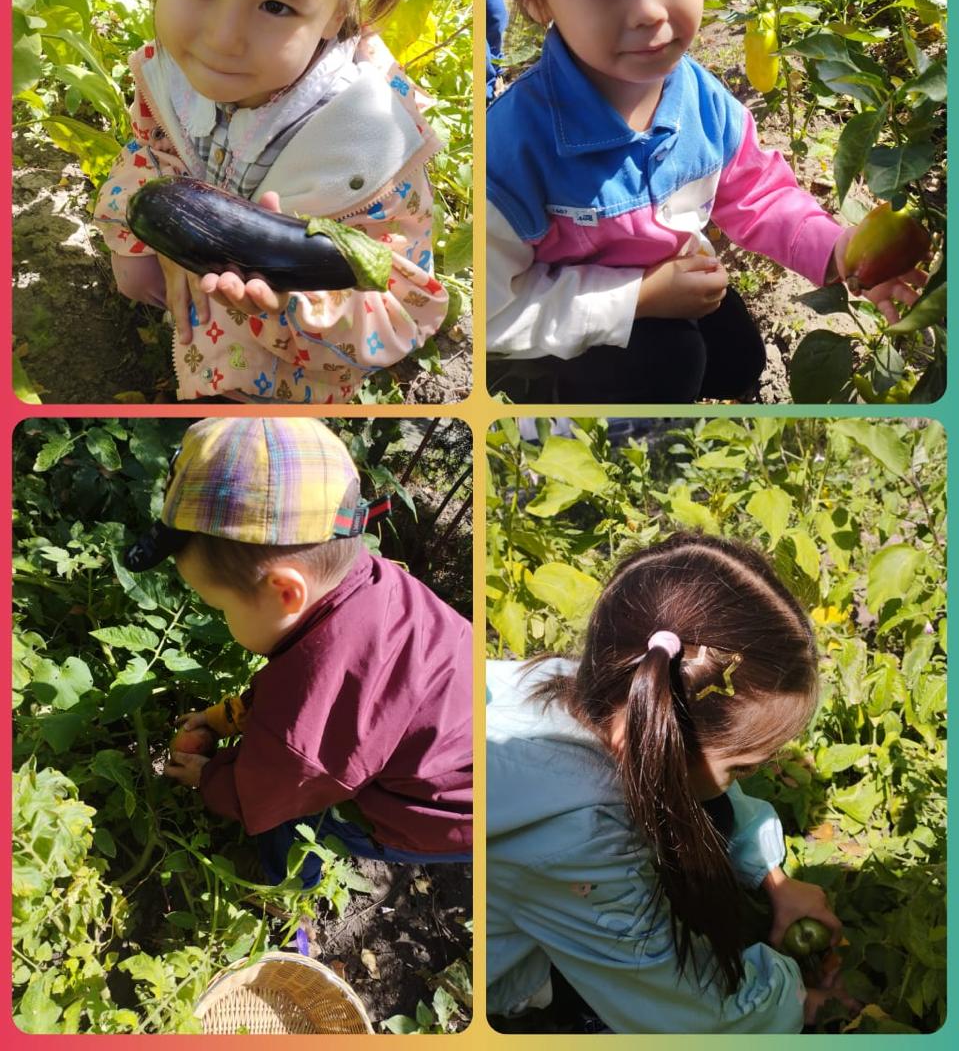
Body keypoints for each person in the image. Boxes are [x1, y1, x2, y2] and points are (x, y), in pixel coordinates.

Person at [485, 0, 923, 402]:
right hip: (576, 315)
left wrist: (838, 248)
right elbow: (494, 308)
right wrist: (637, 297)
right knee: (666, 364)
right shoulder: (514, 149)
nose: (648, 9)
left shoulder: (700, 99)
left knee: (739, 357)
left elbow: (756, 192)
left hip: (673, 272)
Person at [95, 0, 453, 403]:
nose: (223, 36)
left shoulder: (370, 149)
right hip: (206, 328)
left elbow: (405, 308)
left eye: (276, 6)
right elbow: (151, 152)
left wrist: (301, 301)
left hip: (295, 368)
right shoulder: (171, 77)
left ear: (337, 11)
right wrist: (138, 238)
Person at [487, 533, 855, 1033]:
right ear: (659, 735)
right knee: (603, 1018)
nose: (747, 779)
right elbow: (682, 1010)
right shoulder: (580, 838)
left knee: (713, 806)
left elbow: (717, 795)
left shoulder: (609, 684)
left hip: (549, 879)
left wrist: (773, 878)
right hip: (516, 973)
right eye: (742, 767)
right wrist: (794, 998)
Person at [124, 417, 472, 887]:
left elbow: (276, 785)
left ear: (286, 592)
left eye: (221, 607)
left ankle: (283, 884)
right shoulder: (369, 586)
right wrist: (223, 717)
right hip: (464, 748)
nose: (224, 621)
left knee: (300, 821)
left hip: (443, 814)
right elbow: (304, 687)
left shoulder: (312, 718)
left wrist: (210, 780)